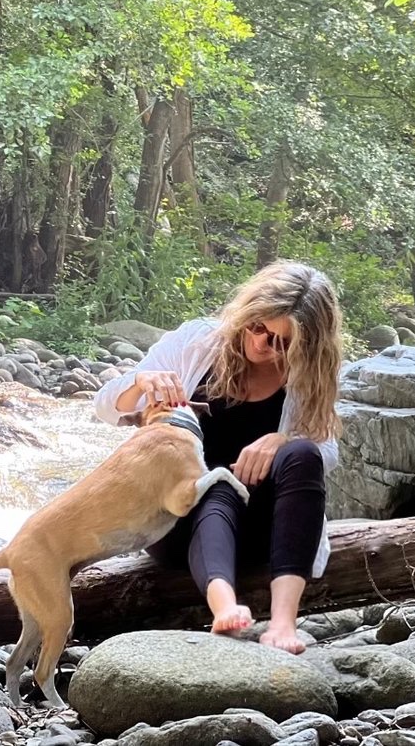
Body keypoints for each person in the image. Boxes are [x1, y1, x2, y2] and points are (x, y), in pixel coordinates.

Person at [93, 260, 342, 654]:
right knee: (215, 483)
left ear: (306, 346)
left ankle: (282, 623)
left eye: (281, 341)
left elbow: (326, 451)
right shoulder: (198, 342)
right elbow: (105, 406)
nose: (262, 344)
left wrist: (281, 438)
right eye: (258, 326)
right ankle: (224, 609)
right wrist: (140, 383)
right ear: (246, 314)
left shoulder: (309, 375)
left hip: (260, 530)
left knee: (302, 452)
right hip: (176, 522)